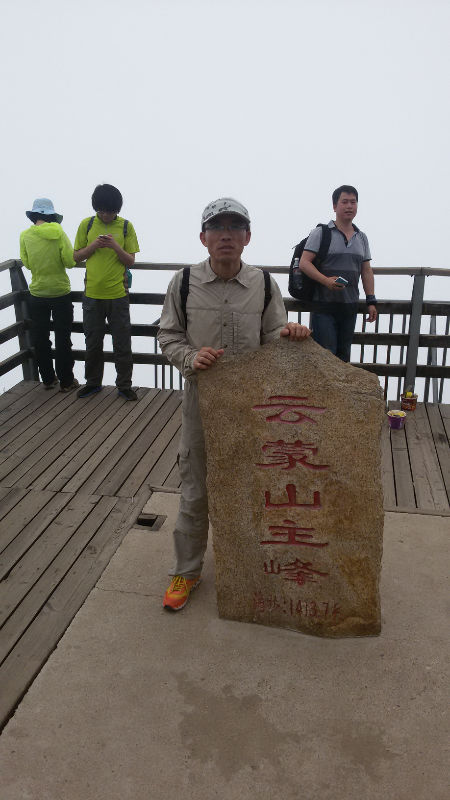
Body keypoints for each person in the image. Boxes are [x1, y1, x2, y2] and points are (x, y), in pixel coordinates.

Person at [158, 197, 311, 612]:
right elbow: (168, 337)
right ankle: (186, 572)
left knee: (253, 489)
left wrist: (291, 333)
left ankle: (249, 568)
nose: (226, 234)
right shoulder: (184, 283)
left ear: (247, 237)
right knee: (195, 491)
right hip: (202, 404)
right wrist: (191, 358)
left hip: (253, 408)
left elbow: (274, 335)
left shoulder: (263, 284)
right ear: (204, 237)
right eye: (217, 227)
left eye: (234, 227)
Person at [73, 183, 140, 400]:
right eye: (101, 210)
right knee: (92, 342)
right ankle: (93, 383)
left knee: (122, 343)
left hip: (118, 295)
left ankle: (124, 385)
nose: (105, 215)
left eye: (110, 211)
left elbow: (130, 260)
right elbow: (76, 256)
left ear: (117, 209)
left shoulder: (126, 227)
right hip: (92, 294)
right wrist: (94, 246)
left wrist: (114, 247)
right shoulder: (87, 224)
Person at [299, 185, 377, 362]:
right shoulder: (321, 233)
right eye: (344, 202)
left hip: (350, 306)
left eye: (353, 202)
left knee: (343, 358)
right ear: (335, 206)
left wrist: (371, 300)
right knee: (326, 358)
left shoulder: (361, 237)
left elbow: (366, 270)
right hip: (324, 306)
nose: (349, 206)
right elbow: (304, 263)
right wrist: (325, 281)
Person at [20, 198, 78, 392]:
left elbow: (26, 263)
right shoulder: (58, 232)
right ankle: (67, 381)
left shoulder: (25, 236)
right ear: (51, 216)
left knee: (40, 337)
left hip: (37, 293)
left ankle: (47, 378)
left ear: (35, 215)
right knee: (63, 338)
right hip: (60, 292)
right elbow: (70, 261)